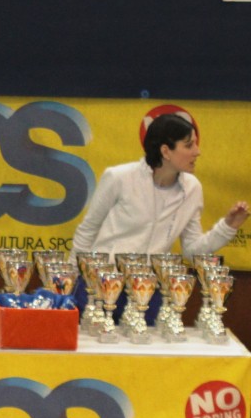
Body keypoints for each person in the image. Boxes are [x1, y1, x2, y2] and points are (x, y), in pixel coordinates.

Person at [70, 112, 248, 319]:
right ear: (166, 151)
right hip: (100, 285)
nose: (197, 152)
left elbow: (191, 251)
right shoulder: (118, 177)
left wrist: (227, 227)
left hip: (148, 293)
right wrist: (71, 282)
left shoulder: (192, 189)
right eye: (189, 145)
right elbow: (88, 229)